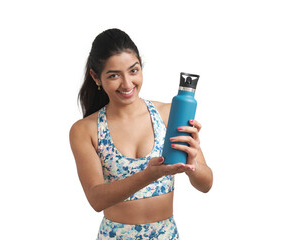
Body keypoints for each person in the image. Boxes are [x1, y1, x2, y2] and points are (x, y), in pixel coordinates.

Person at [69, 28, 213, 239]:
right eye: (114, 75)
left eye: (133, 71)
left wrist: (193, 165)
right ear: (95, 76)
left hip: (166, 235)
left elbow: (206, 184)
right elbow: (96, 199)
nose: (127, 84)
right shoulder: (85, 129)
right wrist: (149, 175)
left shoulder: (168, 114)